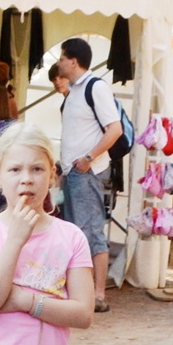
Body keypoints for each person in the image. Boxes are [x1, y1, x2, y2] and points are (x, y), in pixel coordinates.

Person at [0, 122, 94, 345]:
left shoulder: (71, 237)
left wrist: (25, 301)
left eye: (37, 169)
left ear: (52, 174)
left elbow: (83, 314)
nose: (27, 179)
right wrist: (15, 240)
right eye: (15, 169)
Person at [55, 38, 122, 313]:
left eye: (62, 58)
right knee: (76, 230)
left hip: (87, 172)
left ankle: (96, 294)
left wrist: (88, 158)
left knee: (89, 231)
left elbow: (115, 129)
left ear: (73, 61)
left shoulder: (96, 87)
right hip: (74, 172)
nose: (59, 62)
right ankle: (84, 292)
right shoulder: (75, 91)